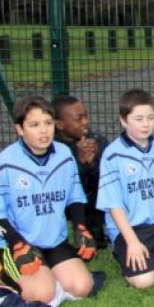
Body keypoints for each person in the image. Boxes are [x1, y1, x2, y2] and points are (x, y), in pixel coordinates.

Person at [0, 96, 100, 306]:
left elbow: (75, 197)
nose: (44, 131)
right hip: (16, 243)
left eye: (48, 123)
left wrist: (80, 228)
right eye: (34, 125)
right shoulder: (3, 164)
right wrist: (17, 244)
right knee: (43, 294)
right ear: (20, 129)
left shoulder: (64, 155)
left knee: (83, 287)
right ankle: (1, 274)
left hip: (54, 241)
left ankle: (47, 272)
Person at [97, 89, 154, 288]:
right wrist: (131, 242)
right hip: (129, 229)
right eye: (138, 119)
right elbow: (114, 204)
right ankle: (121, 251)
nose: (146, 124)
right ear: (123, 120)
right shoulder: (112, 155)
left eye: (150, 118)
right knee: (144, 281)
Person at [51, 95, 109, 248]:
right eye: (78, 119)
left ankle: (100, 231)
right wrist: (81, 163)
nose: (85, 122)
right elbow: (63, 189)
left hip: (95, 203)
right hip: (66, 206)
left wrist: (94, 163)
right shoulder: (52, 149)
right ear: (60, 124)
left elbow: (108, 183)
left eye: (85, 116)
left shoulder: (98, 141)